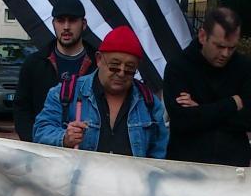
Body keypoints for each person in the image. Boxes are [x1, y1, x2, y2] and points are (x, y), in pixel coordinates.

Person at [32, 25, 168, 158]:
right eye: (114, 66)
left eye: (129, 68)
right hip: (79, 180)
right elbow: (40, 132)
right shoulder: (65, 92)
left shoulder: (149, 102)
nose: (121, 73)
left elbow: (159, 154)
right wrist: (64, 138)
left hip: (131, 180)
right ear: (98, 59)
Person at [163, 6, 251, 166]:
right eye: (219, 46)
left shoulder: (246, 68)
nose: (225, 54)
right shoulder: (178, 67)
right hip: (185, 167)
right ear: (203, 36)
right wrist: (232, 103)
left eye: (232, 48)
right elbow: (183, 120)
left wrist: (200, 108)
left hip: (232, 167)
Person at [15, 0, 96, 142]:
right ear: (53, 23)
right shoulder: (34, 63)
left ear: (83, 24)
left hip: (86, 150)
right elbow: (22, 109)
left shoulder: (98, 64)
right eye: (60, 20)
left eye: (72, 20)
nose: (66, 27)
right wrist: (32, 143)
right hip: (42, 150)